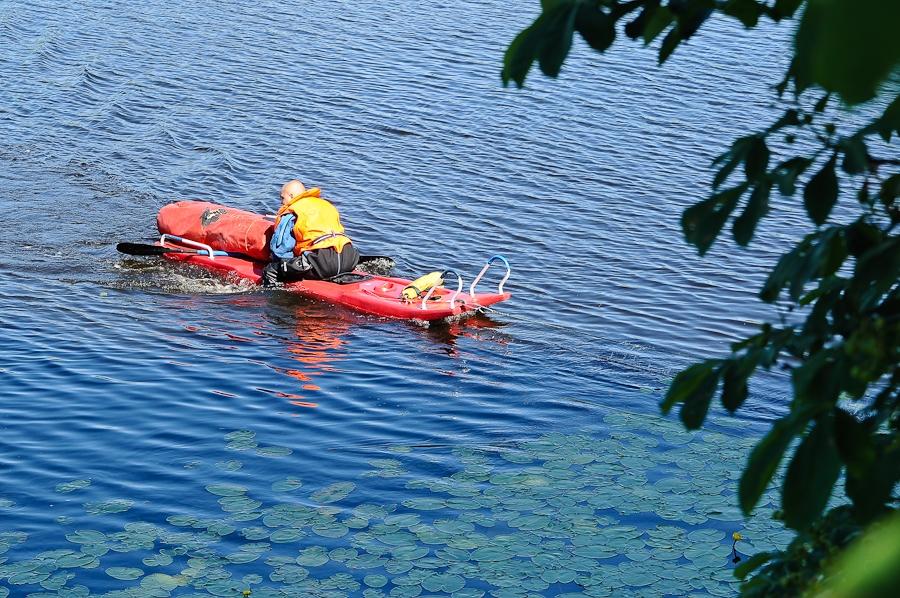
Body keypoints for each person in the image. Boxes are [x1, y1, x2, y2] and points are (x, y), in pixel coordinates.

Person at [263, 179, 360, 286]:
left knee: (271, 271)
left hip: (322, 260)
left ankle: (276, 299)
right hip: (349, 257)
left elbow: (281, 250)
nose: (281, 202)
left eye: (282, 198)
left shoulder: (292, 211)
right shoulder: (325, 205)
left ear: (291, 196)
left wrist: (281, 265)